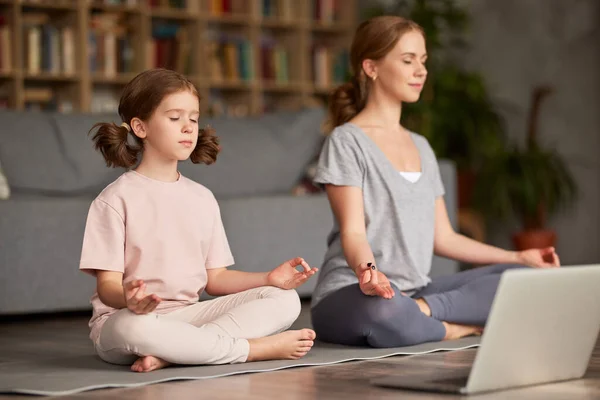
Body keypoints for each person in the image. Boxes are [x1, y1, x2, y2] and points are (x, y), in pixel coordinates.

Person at [310, 16, 560, 348]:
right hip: (353, 293)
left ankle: (417, 313)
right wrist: (369, 274)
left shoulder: (422, 147)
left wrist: (518, 257)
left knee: (531, 280)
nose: (421, 71)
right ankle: (454, 328)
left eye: (423, 61)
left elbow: (444, 238)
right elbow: (353, 232)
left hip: (413, 292)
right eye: (408, 60)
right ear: (371, 67)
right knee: (382, 312)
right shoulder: (347, 141)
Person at [80, 68, 317, 373]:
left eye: (193, 118)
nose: (188, 128)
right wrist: (129, 299)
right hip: (130, 320)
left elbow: (216, 279)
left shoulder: (203, 197)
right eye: (175, 118)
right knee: (133, 329)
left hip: (188, 316)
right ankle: (250, 350)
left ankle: (175, 353)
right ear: (140, 127)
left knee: (284, 300)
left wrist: (268, 278)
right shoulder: (114, 199)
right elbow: (107, 287)